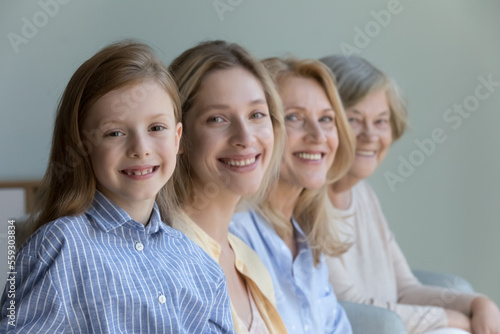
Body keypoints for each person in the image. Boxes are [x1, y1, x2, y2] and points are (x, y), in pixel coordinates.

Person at [0, 40, 235, 333]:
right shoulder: (60, 246)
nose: (140, 148)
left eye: (156, 128)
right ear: (82, 146)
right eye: (114, 132)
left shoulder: (202, 267)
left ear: (177, 139)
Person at [320, 54, 500, 334]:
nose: (370, 135)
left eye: (381, 121)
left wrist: (479, 303)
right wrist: (457, 320)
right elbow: (351, 305)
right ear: (326, 124)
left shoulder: (363, 194)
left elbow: (404, 289)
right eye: (354, 119)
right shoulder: (305, 204)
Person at [168, 40, 288, 333]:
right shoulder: (167, 256)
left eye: (256, 114)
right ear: (178, 136)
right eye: (217, 119)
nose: (245, 137)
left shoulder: (248, 260)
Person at [230, 57, 355, 334]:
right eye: (294, 118)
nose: (318, 135)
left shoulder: (305, 239)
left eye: (326, 119)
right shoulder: (234, 234)